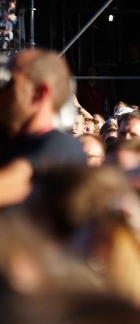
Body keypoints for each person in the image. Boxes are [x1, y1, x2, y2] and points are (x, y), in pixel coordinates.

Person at [0, 48, 86, 206]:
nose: (2, 93)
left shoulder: (63, 148)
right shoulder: (9, 142)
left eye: (9, 83)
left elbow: (13, 182)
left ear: (39, 93)